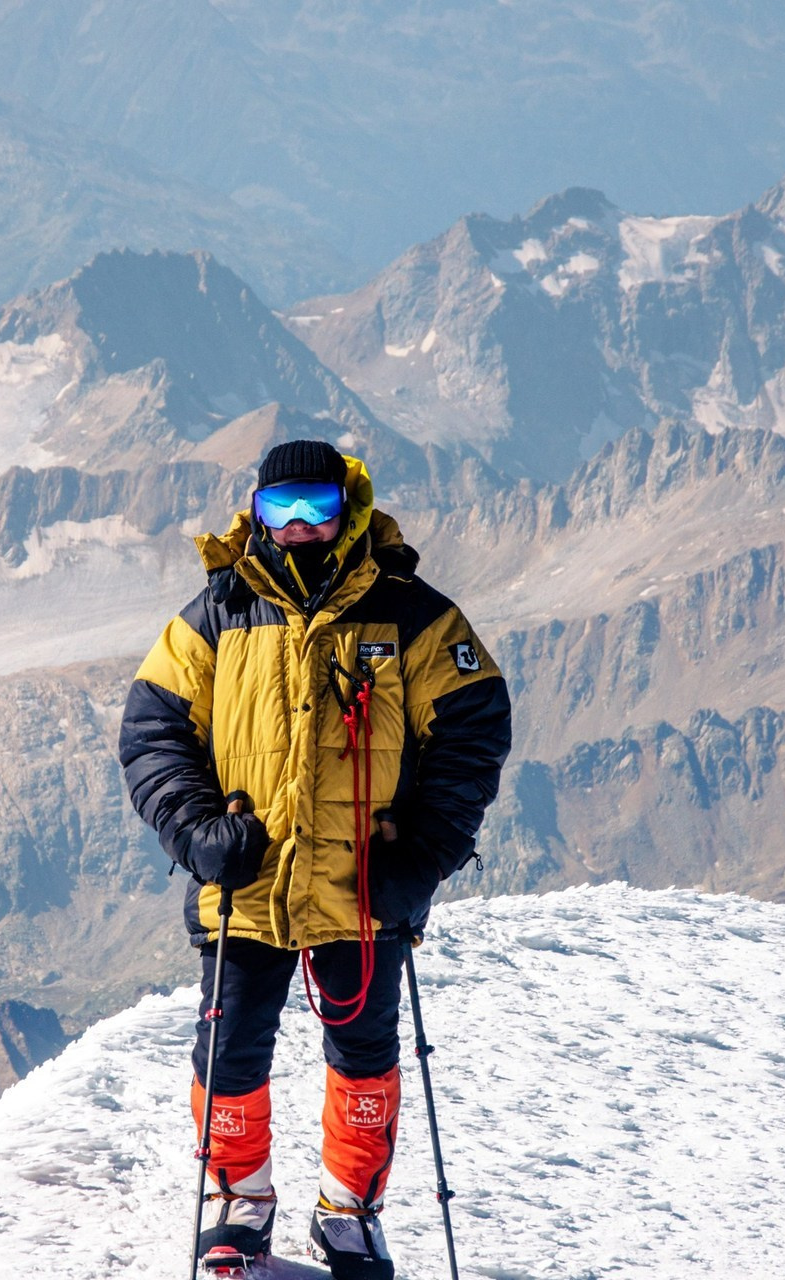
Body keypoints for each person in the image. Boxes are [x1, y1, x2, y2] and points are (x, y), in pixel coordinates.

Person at [118, 438, 511, 1278]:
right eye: (279, 511)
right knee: (227, 1054)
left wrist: (431, 850)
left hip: (364, 886)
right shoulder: (221, 613)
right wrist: (193, 832)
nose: (297, 529)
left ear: (350, 511)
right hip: (248, 886)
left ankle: (349, 1215)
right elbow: (152, 728)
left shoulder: (408, 612)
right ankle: (237, 1206)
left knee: (364, 1059)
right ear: (255, 515)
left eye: (317, 510)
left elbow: (475, 724)